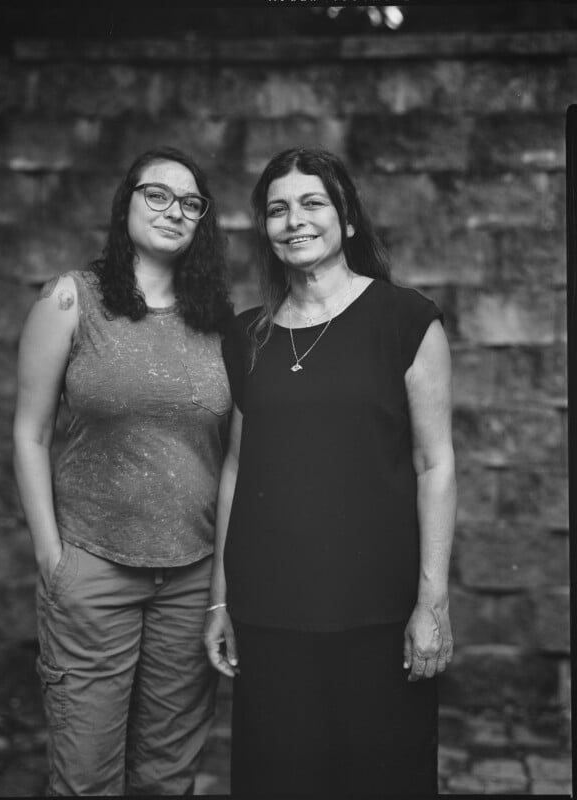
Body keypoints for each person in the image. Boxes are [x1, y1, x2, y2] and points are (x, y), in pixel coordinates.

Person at [204, 146, 456, 795]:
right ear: (264, 228)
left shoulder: (406, 320)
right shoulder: (246, 335)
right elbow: (235, 466)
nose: (295, 220)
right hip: (270, 615)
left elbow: (436, 465)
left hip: (376, 613)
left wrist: (432, 601)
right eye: (278, 209)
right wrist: (221, 597)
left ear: (346, 220)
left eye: (312, 203)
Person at [13, 146, 233, 796]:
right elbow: (29, 433)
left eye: (190, 202)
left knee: (168, 779)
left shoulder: (218, 321)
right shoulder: (70, 301)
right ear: (127, 202)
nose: (174, 210)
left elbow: (231, 454)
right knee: (86, 781)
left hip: (191, 580)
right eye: (156, 194)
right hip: (93, 569)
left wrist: (220, 585)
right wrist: (53, 558)